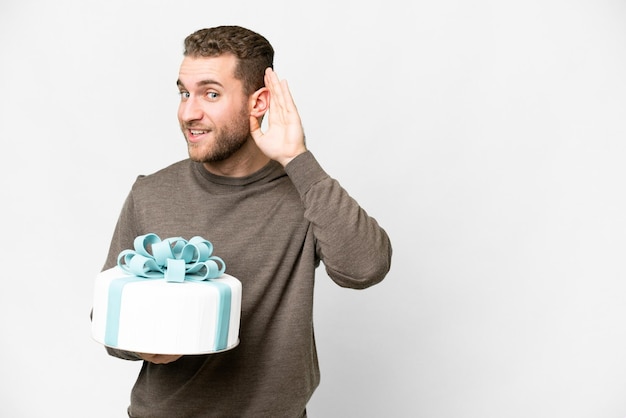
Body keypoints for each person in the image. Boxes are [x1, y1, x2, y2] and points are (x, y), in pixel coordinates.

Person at [99, 25, 392, 418]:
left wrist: (298, 160)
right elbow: (107, 316)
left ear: (259, 103)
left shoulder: (305, 193)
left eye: (211, 93)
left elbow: (365, 268)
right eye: (185, 93)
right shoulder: (150, 192)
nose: (189, 112)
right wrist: (141, 344)